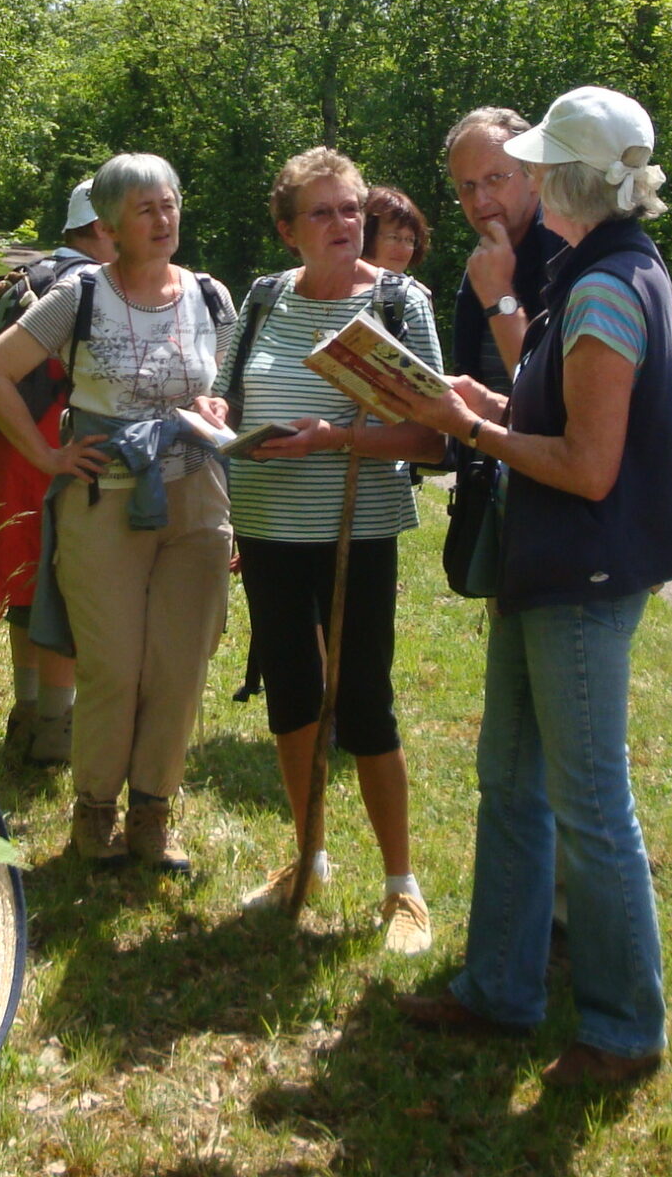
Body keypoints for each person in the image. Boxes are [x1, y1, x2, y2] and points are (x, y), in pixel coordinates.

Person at [394, 87, 672, 1090]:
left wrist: (475, 429)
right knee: (510, 781)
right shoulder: (596, 270)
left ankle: (622, 1028)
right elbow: (557, 398)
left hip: (581, 571)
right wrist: (488, 398)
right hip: (548, 566)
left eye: (525, 166)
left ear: (562, 177)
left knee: (588, 803)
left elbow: (589, 465)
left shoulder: (609, 285)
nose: (507, 185)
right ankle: (499, 989)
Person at [0, 153, 236, 871]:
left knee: (179, 668)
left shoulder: (210, 295)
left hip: (195, 496)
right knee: (114, 667)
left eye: (171, 203)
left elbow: (227, 386)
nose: (163, 218)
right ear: (111, 223)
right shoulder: (80, 295)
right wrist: (47, 456)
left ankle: (153, 815)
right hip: (103, 497)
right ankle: (94, 815)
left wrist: (215, 407)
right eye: (146, 207)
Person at [219, 148, 446, 952]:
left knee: (363, 702)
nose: (345, 224)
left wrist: (333, 439)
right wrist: (219, 416)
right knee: (291, 691)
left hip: (358, 525)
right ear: (288, 230)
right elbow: (232, 391)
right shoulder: (261, 298)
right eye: (323, 212)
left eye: (352, 209)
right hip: (267, 524)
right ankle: (307, 857)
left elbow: (432, 432)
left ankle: (401, 888)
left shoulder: (398, 302)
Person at [0, 179, 114, 764]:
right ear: (102, 227)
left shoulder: (26, 274)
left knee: (25, 586)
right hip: (53, 444)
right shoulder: (89, 287)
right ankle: (56, 725)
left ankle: (26, 713)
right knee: (61, 588)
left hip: (5, 443)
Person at [443, 107, 562, 395]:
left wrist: (499, 297)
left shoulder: (565, 254)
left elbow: (553, 399)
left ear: (534, 175)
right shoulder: (483, 260)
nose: (480, 200)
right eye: (467, 186)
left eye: (495, 178)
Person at [361, 184, 430, 277]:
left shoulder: (412, 291)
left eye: (410, 240)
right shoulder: (337, 286)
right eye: (394, 237)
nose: (403, 249)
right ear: (365, 236)